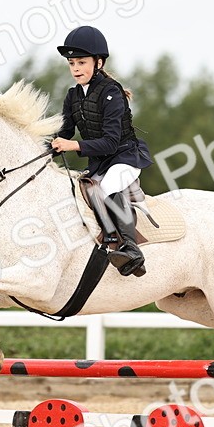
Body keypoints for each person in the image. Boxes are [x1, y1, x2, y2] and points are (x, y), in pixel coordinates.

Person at [49, 26, 153, 277]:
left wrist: (73, 146)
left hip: (125, 156)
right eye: (71, 63)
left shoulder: (111, 91)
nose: (75, 68)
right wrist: (43, 151)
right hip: (99, 163)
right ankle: (106, 238)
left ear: (98, 62)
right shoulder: (72, 95)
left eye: (81, 62)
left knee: (108, 187)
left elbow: (110, 142)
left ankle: (132, 249)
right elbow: (64, 132)